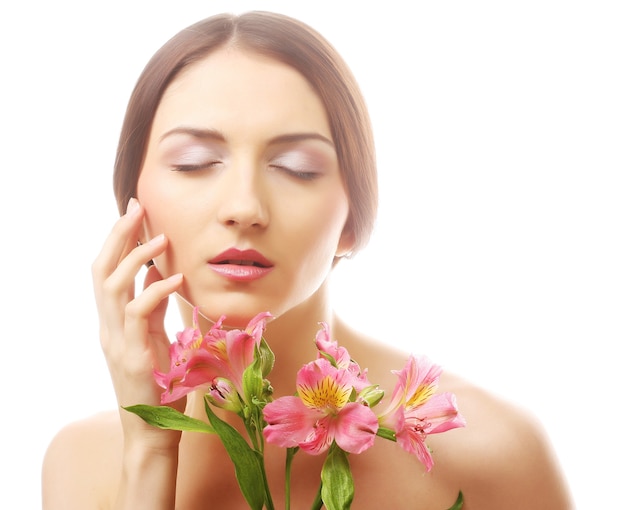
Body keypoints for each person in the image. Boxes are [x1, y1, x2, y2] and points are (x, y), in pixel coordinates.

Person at [41, 10, 573, 510]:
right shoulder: (81, 466)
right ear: (132, 207)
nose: (244, 207)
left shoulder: (487, 450)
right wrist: (150, 452)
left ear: (353, 219)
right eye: (194, 162)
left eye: (296, 167)